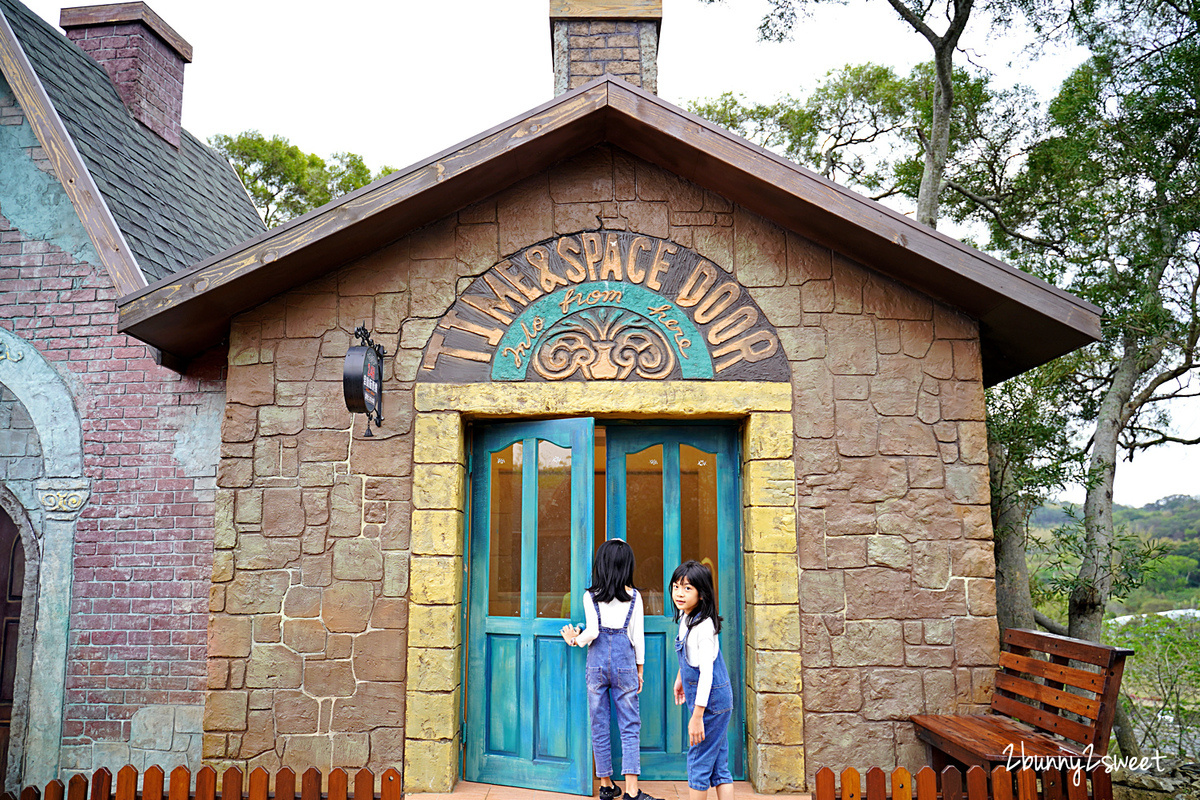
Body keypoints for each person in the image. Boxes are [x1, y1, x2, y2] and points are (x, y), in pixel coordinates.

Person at [562, 539, 660, 800]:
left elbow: (592, 632)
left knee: (599, 722)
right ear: (627, 565)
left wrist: (574, 639)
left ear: (601, 564)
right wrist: (640, 670)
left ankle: (606, 784)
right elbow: (637, 636)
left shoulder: (590, 596)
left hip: (596, 664)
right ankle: (631, 790)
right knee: (629, 724)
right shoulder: (635, 597)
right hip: (624, 663)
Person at [671, 560, 734, 800]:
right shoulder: (686, 617)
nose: (680, 593)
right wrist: (680, 677)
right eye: (677, 586)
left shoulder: (704, 628)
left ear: (701, 593)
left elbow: (707, 674)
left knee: (698, 761)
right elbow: (689, 656)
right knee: (719, 766)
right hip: (709, 701)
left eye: (688, 588)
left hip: (711, 705)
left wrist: (697, 716)